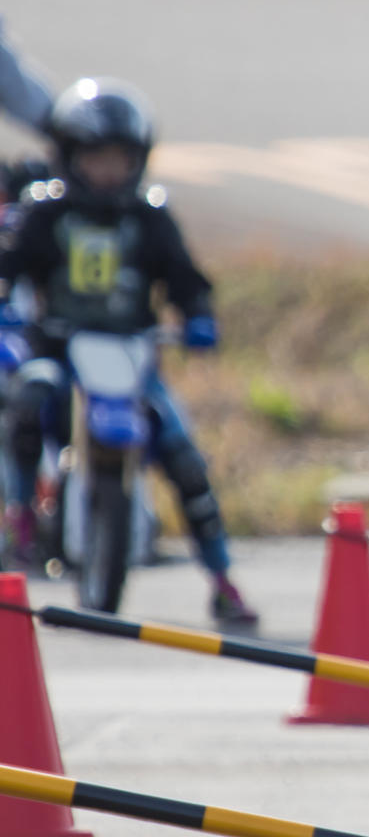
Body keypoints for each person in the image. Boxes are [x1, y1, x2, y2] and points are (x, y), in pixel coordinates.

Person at [0, 78, 257, 632]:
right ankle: (20, 519)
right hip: (62, 348)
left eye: (121, 160)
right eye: (96, 159)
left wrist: (198, 318)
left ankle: (222, 578)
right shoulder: (45, 214)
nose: (109, 172)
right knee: (27, 399)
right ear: (70, 158)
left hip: (131, 354)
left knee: (183, 456)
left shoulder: (149, 219)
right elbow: (11, 266)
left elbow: (187, 279)